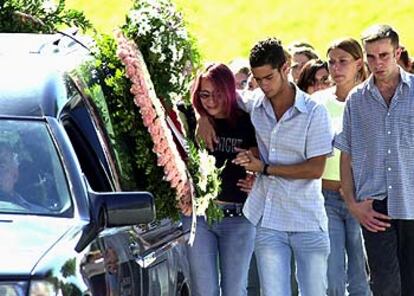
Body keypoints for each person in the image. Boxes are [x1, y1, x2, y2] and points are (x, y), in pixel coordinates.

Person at [198, 38, 334, 296]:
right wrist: (201, 117)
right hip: (268, 220)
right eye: (258, 79)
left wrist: (265, 168)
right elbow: (212, 96)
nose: (263, 85)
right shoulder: (254, 103)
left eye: (268, 78)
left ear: (286, 67)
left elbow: (315, 169)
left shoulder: (315, 112)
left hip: (307, 219)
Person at [335, 24, 414, 295]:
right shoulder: (356, 100)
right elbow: (346, 154)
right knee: (385, 286)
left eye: (384, 55)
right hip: (375, 207)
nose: (377, 63)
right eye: (370, 56)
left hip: (412, 198)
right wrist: (352, 204)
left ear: (398, 52)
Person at [183, 63, 257, 296]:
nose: (211, 101)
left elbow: (258, 158)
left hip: (238, 218)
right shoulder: (192, 118)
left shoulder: (247, 121)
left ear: (229, 91)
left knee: (234, 291)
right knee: (204, 291)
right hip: (200, 219)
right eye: (205, 95)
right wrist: (200, 115)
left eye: (218, 94)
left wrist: (256, 176)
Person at [312, 38, 370, 296]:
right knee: (332, 275)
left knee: (361, 274)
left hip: (362, 196)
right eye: (331, 62)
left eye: (343, 61)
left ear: (358, 63)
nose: (336, 68)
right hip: (325, 196)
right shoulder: (317, 102)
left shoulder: (371, 99)